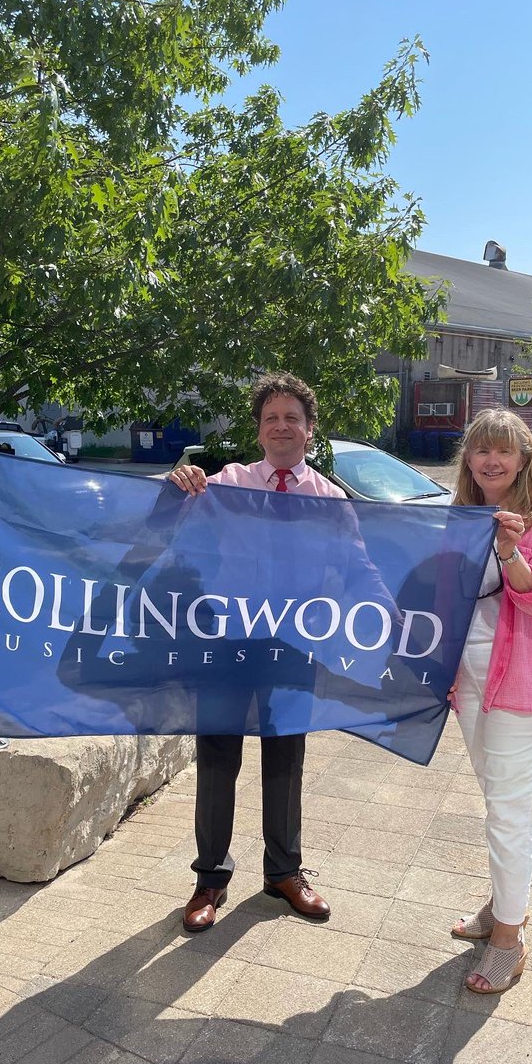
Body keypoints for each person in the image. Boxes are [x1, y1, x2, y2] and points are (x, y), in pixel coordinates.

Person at [167, 372, 345, 932]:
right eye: (272, 418)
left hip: (294, 644)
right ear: (259, 430)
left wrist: (390, 609)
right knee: (218, 759)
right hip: (226, 640)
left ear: (310, 429)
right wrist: (174, 485)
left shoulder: (331, 498)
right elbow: (173, 524)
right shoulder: (226, 483)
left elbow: (358, 565)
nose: (282, 426)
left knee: (285, 760)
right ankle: (210, 880)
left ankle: (284, 872)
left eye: (293, 417)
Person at [448, 407, 532, 994]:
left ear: (524, 459)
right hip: (470, 680)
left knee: (509, 810)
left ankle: (510, 939)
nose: (492, 460)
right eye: (481, 450)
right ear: (468, 459)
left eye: (504, 451)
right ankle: (502, 906)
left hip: (521, 682)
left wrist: (509, 549)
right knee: (495, 797)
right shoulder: (459, 516)